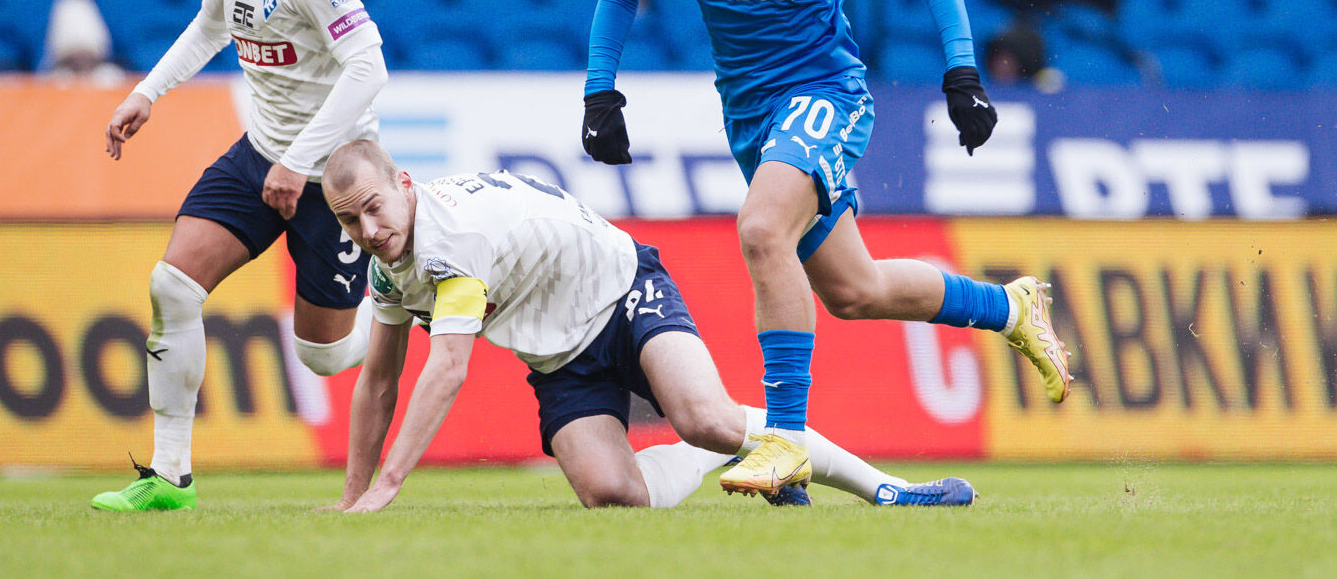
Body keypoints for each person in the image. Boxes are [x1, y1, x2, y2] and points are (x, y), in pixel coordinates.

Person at [577, 0, 1070, 498]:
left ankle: (786, 440)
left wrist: (963, 76)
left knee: (760, 229)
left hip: (823, 95)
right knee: (855, 290)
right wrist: (600, 94)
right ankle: (1010, 306)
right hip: (749, 116)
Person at [320, 139, 975, 511]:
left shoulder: (447, 242)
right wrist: (353, 497)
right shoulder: (390, 264)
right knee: (614, 496)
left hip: (623, 288)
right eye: (351, 222)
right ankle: (717, 456)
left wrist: (389, 487)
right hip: (559, 357)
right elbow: (378, 380)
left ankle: (888, 489)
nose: (369, 232)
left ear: (404, 184)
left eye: (374, 208)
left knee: (706, 415)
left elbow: (448, 368)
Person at [91, 0, 389, 512]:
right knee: (172, 287)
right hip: (259, 158)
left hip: (334, 176)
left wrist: (300, 161)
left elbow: (368, 68)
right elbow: (208, 27)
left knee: (319, 355)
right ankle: (169, 478)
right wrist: (147, 93)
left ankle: (394, 307)